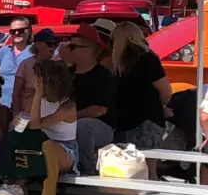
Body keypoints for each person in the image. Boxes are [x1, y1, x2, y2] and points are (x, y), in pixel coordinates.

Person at [0, 59, 77, 195]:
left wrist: (37, 94)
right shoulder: (36, 99)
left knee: (46, 145)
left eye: (37, 80)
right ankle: (8, 185)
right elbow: (24, 121)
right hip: (38, 147)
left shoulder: (68, 106)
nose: (33, 83)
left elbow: (36, 124)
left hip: (63, 150)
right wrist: (19, 122)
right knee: (15, 138)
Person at [111, 21, 173, 178]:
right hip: (146, 118)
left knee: (131, 170)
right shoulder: (147, 58)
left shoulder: (117, 62)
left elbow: (166, 91)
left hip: (130, 121)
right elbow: (166, 91)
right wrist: (160, 105)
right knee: (146, 170)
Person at [62, 25, 116, 175]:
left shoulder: (103, 76)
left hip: (100, 128)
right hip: (69, 123)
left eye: (72, 47)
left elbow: (99, 109)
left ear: (88, 50)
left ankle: (86, 170)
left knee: (83, 126)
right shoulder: (66, 73)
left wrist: (69, 117)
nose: (67, 50)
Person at [12, 29, 59, 116]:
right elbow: (16, 93)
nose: (53, 48)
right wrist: (17, 114)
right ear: (38, 45)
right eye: (49, 44)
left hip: (51, 115)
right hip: (27, 113)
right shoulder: (25, 64)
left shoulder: (59, 65)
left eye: (55, 44)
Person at [0, 17, 34, 108]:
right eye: (13, 31)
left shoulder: (35, 52)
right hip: (2, 105)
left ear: (29, 31)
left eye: (20, 30)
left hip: (25, 107)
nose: (16, 33)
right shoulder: (4, 51)